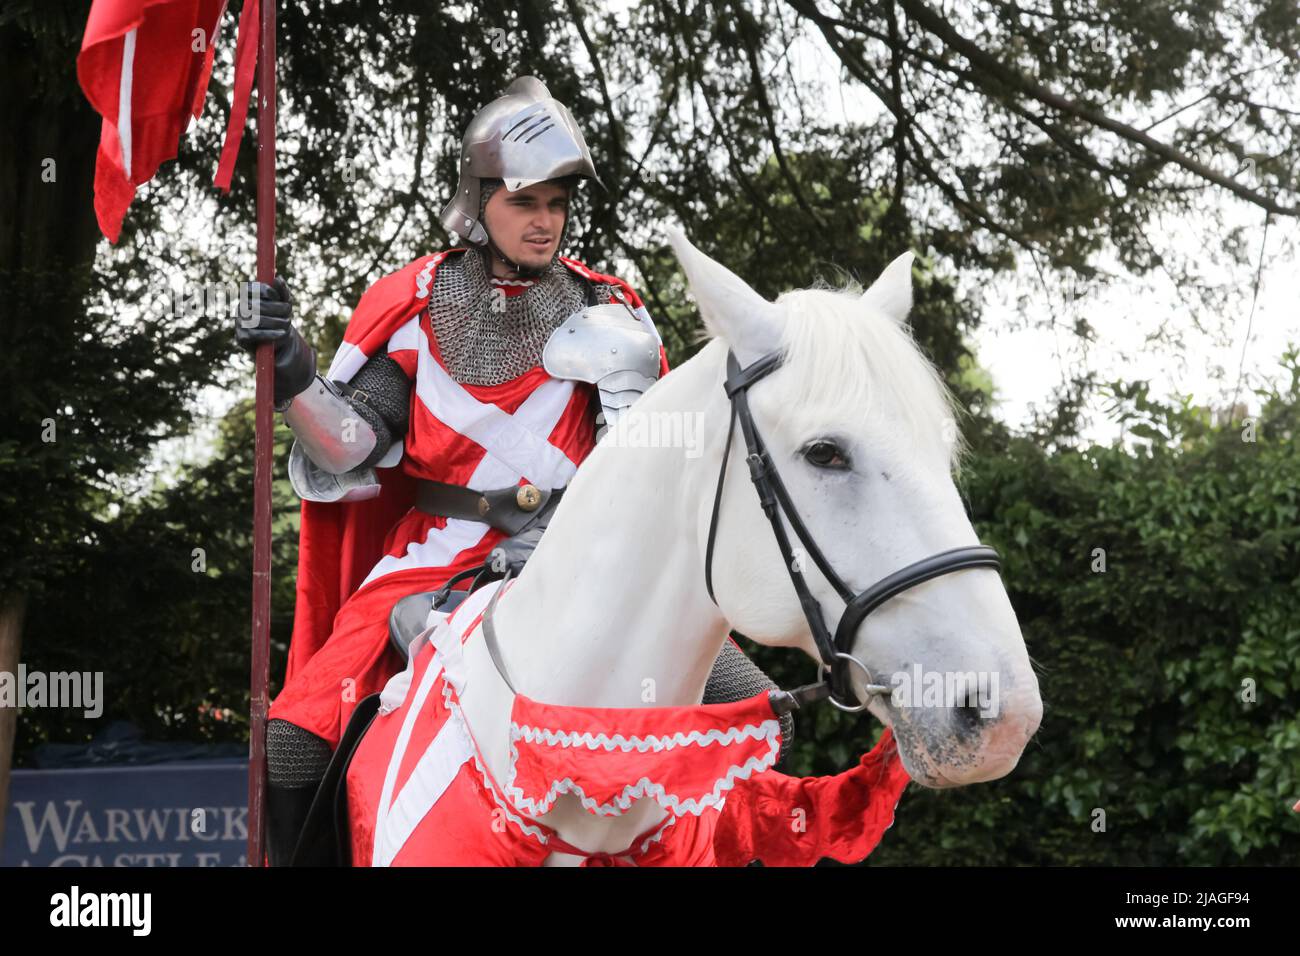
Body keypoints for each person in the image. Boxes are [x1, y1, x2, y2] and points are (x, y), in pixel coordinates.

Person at [235, 76, 795, 865]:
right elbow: (351, 449)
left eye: (558, 204)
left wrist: (562, 542)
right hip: (432, 554)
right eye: (527, 202)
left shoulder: (611, 316)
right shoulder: (417, 309)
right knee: (293, 742)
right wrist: (292, 372)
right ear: (480, 198)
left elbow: (645, 473)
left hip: (581, 549)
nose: (545, 221)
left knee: (757, 708)